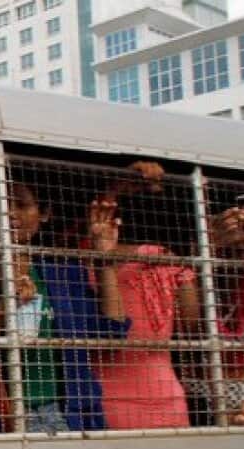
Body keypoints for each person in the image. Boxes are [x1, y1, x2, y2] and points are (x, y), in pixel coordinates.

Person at [0, 184, 133, 433]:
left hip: (71, 413)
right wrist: (5, 305)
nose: (10, 213)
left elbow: (113, 333)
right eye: (1, 204)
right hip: (11, 416)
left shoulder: (63, 270)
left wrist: (104, 259)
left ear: (44, 213)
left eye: (21, 204)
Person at [92, 163, 201, 430]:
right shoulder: (172, 261)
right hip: (167, 395)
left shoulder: (95, 256)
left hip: (113, 395)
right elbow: (190, 325)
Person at [183, 196, 244, 425]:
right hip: (194, 396)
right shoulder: (197, 271)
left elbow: (237, 352)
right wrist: (208, 249)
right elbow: (187, 325)